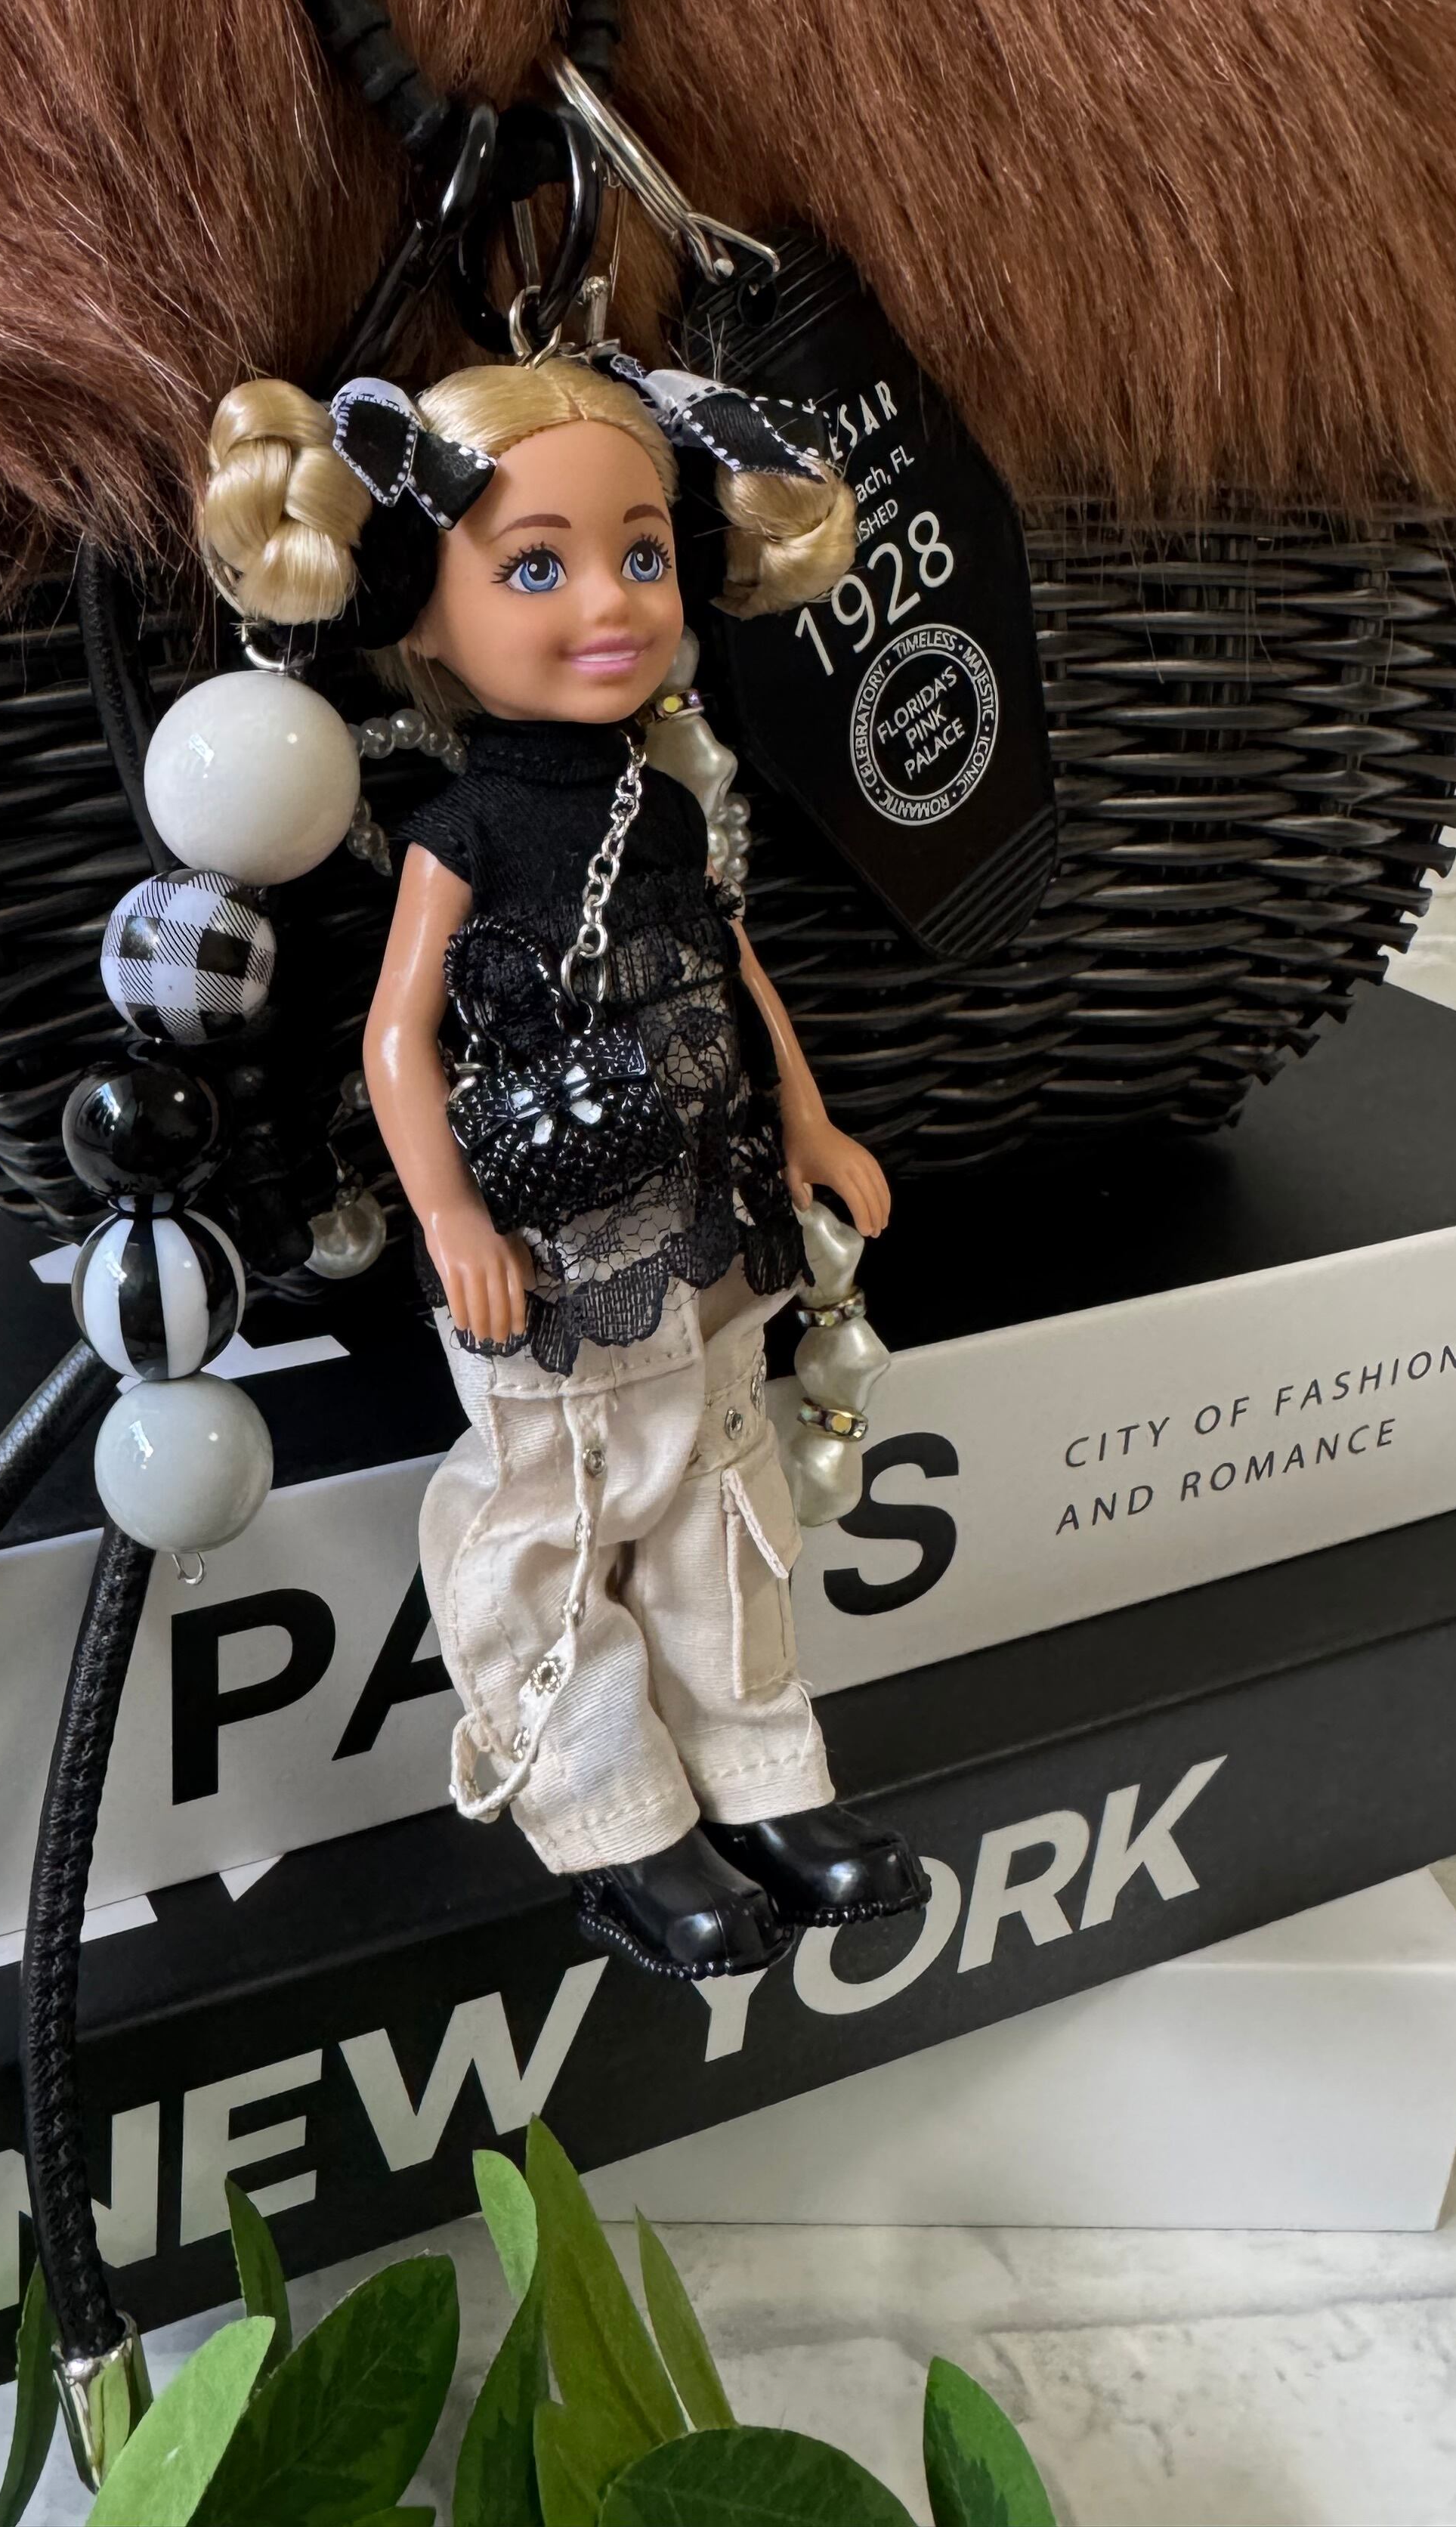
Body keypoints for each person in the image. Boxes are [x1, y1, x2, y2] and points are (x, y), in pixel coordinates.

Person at [199, 348, 929, 1978]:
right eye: (537, 568)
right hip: (548, 1252)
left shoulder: (663, 806)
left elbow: (733, 972)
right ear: (424, 612)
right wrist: (447, 1212)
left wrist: (808, 1123)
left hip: (704, 1219)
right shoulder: (461, 834)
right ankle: (613, 1816)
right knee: (549, 1522)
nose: (610, 602)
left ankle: (763, 1778)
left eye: (643, 553)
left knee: (721, 1499)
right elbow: (399, 1039)